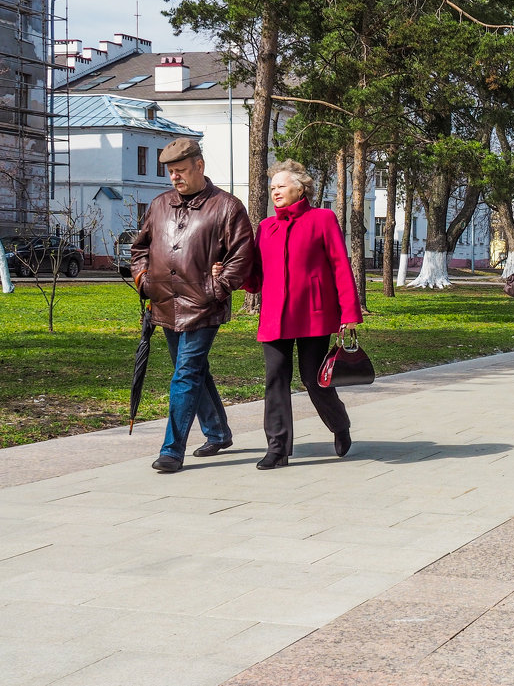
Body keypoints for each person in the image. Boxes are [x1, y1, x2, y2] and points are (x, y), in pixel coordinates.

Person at [227, 159, 363, 470]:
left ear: (300, 188)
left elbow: (341, 266)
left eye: (281, 185)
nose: (275, 191)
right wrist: (235, 272)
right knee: (276, 378)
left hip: (313, 313)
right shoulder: (266, 227)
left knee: (314, 379)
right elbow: (256, 277)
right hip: (275, 315)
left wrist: (349, 313)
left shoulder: (322, 219)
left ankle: (339, 425)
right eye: (272, 187)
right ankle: (277, 448)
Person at [131, 138, 254, 473]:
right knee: (193, 371)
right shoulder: (158, 205)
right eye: (170, 172)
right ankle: (217, 431)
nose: (175, 177)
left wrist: (216, 288)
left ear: (199, 165)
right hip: (164, 304)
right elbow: (140, 247)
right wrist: (144, 279)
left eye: (181, 170)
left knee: (184, 373)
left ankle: (172, 450)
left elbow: (242, 258)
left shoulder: (227, 207)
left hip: (203, 306)